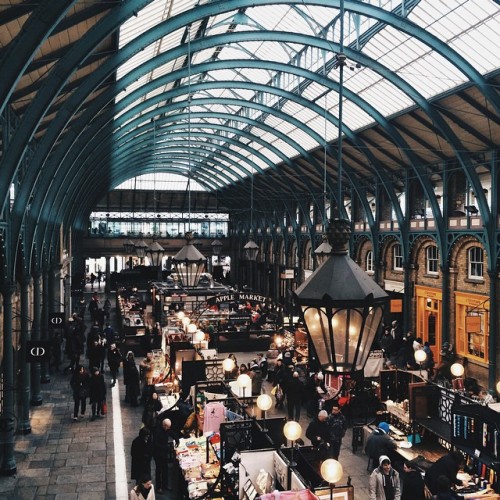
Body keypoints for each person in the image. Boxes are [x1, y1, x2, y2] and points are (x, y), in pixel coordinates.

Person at [152, 418, 179, 493]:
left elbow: (171, 433)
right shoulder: (157, 431)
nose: (169, 428)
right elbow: (156, 444)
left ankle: (165, 485)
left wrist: (177, 439)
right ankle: (158, 487)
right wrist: (166, 448)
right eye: (168, 427)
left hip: (164, 453)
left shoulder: (166, 429)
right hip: (158, 454)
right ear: (164, 425)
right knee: (159, 470)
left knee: (165, 469)